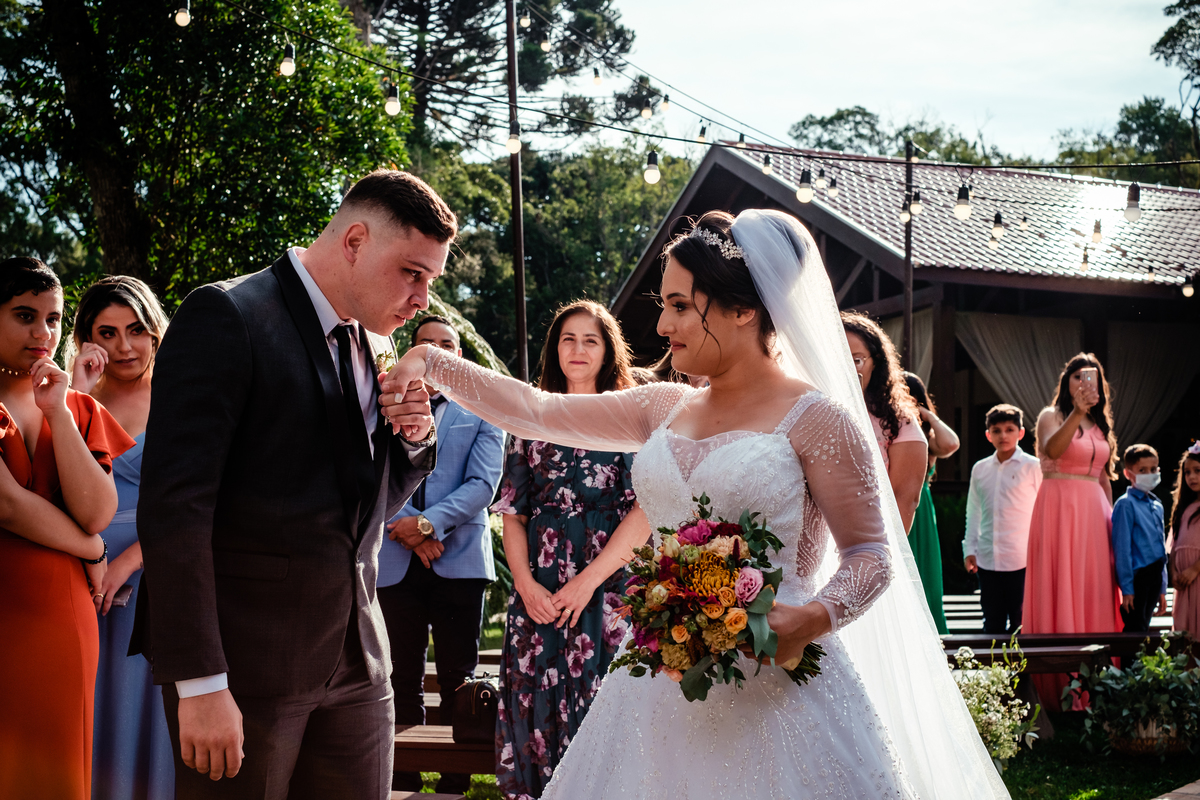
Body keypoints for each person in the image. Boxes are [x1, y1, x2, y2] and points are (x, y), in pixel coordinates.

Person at [380, 210, 1008, 799]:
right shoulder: (661, 408)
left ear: (742, 309)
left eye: (680, 306)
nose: (661, 326)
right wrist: (429, 361)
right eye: (665, 306)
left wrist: (809, 620)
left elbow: (873, 555)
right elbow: (538, 411)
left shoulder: (818, 421)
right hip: (659, 677)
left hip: (782, 682)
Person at [134, 170, 455, 800]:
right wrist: (200, 681)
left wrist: (413, 439)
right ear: (355, 241)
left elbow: (361, 510)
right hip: (246, 668)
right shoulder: (227, 315)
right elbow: (176, 511)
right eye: (412, 273)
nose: (423, 299)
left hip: (361, 659)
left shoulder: (366, 338)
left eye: (431, 281)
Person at [490, 300, 648, 799]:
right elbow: (512, 511)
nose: (577, 349)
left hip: (606, 589)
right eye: (567, 339)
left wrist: (587, 582)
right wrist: (524, 583)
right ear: (554, 348)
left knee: (603, 709)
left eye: (590, 340)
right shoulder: (530, 417)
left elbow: (645, 514)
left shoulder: (631, 420)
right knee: (534, 710)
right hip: (537, 593)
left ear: (608, 351)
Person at [0, 257, 134, 800]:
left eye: (53, 319)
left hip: (64, 615)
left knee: (58, 769)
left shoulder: (76, 406)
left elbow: (98, 510)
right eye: (24, 315)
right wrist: (94, 549)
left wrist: (56, 410)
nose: (43, 333)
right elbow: (6, 505)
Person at [378, 314, 504, 796]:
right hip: (393, 557)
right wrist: (408, 527)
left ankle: (454, 781)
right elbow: (377, 475)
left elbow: (483, 484)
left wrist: (428, 525)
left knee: (458, 676)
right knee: (399, 674)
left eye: (446, 343)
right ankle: (403, 777)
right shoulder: (383, 404)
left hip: (461, 561)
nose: (435, 350)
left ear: (458, 355)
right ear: (410, 352)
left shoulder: (483, 410)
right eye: (425, 342)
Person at [68, 276, 176, 800]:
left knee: (142, 703)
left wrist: (131, 558)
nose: (124, 346)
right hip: (75, 567)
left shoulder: (182, 398)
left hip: (160, 568)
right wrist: (75, 395)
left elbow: (207, 504)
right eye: (106, 333)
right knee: (85, 698)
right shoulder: (71, 400)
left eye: (136, 330)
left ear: (156, 332)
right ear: (86, 338)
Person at [1023, 353, 1120, 706]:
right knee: (1061, 581)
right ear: (1066, 383)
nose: (1083, 382)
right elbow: (1052, 448)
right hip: (1059, 511)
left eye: (1089, 377)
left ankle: (1099, 685)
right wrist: (1077, 412)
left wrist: (1114, 524)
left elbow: (1104, 477)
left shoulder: (1099, 424)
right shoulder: (1053, 416)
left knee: (1093, 585)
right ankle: (1059, 687)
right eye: (1076, 376)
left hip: (1096, 516)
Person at [841, 312, 928, 533]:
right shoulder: (805, 410)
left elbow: (904, 499)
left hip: (868, 538)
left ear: (876, 361)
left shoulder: (899, 422)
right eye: (839, 358)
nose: (848, 368)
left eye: (856, 360)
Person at [964, 404, 1043, 635]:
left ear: (1020, 433)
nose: (1003, 435)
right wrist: (970, 548)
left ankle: (1022, 672)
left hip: (1022, 560)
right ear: (988, 435)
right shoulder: (980, 469)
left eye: (1009, 429)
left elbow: (1041, 513)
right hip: (988, 560)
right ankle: (994, 672)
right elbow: (974, 511)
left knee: (1022, 624)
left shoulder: (1033, 467)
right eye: (996, 430)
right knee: (992, 624)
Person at [902, 372, 958, 634]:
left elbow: (951, 443)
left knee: (925, 582)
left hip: (919, 511)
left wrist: (929, 416)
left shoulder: (926, 437)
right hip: (888, 507)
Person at [1111, 444, 1167, 633]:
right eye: (1142, 470)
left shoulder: (1157, 505)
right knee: (1135, 630)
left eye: (1153, 469)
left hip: (1155, 574)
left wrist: (1162, 587)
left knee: (1145, 628)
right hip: (1138, 578)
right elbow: (1122, 549)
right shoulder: (1125, 505)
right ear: (1128, 474)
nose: (1149, 474)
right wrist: (1127, 589)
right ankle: (1128, 664)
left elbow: (1161, 548)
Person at [1169, 443, 1200, 637]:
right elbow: (1174, 546)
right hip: (1184, 584)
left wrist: (1195, 569)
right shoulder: (1182, 508)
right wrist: (1174, 572)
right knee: (1185, 639)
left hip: (1197, 575)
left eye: (1198, 471)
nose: (1192, 477)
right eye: (1187, 472)